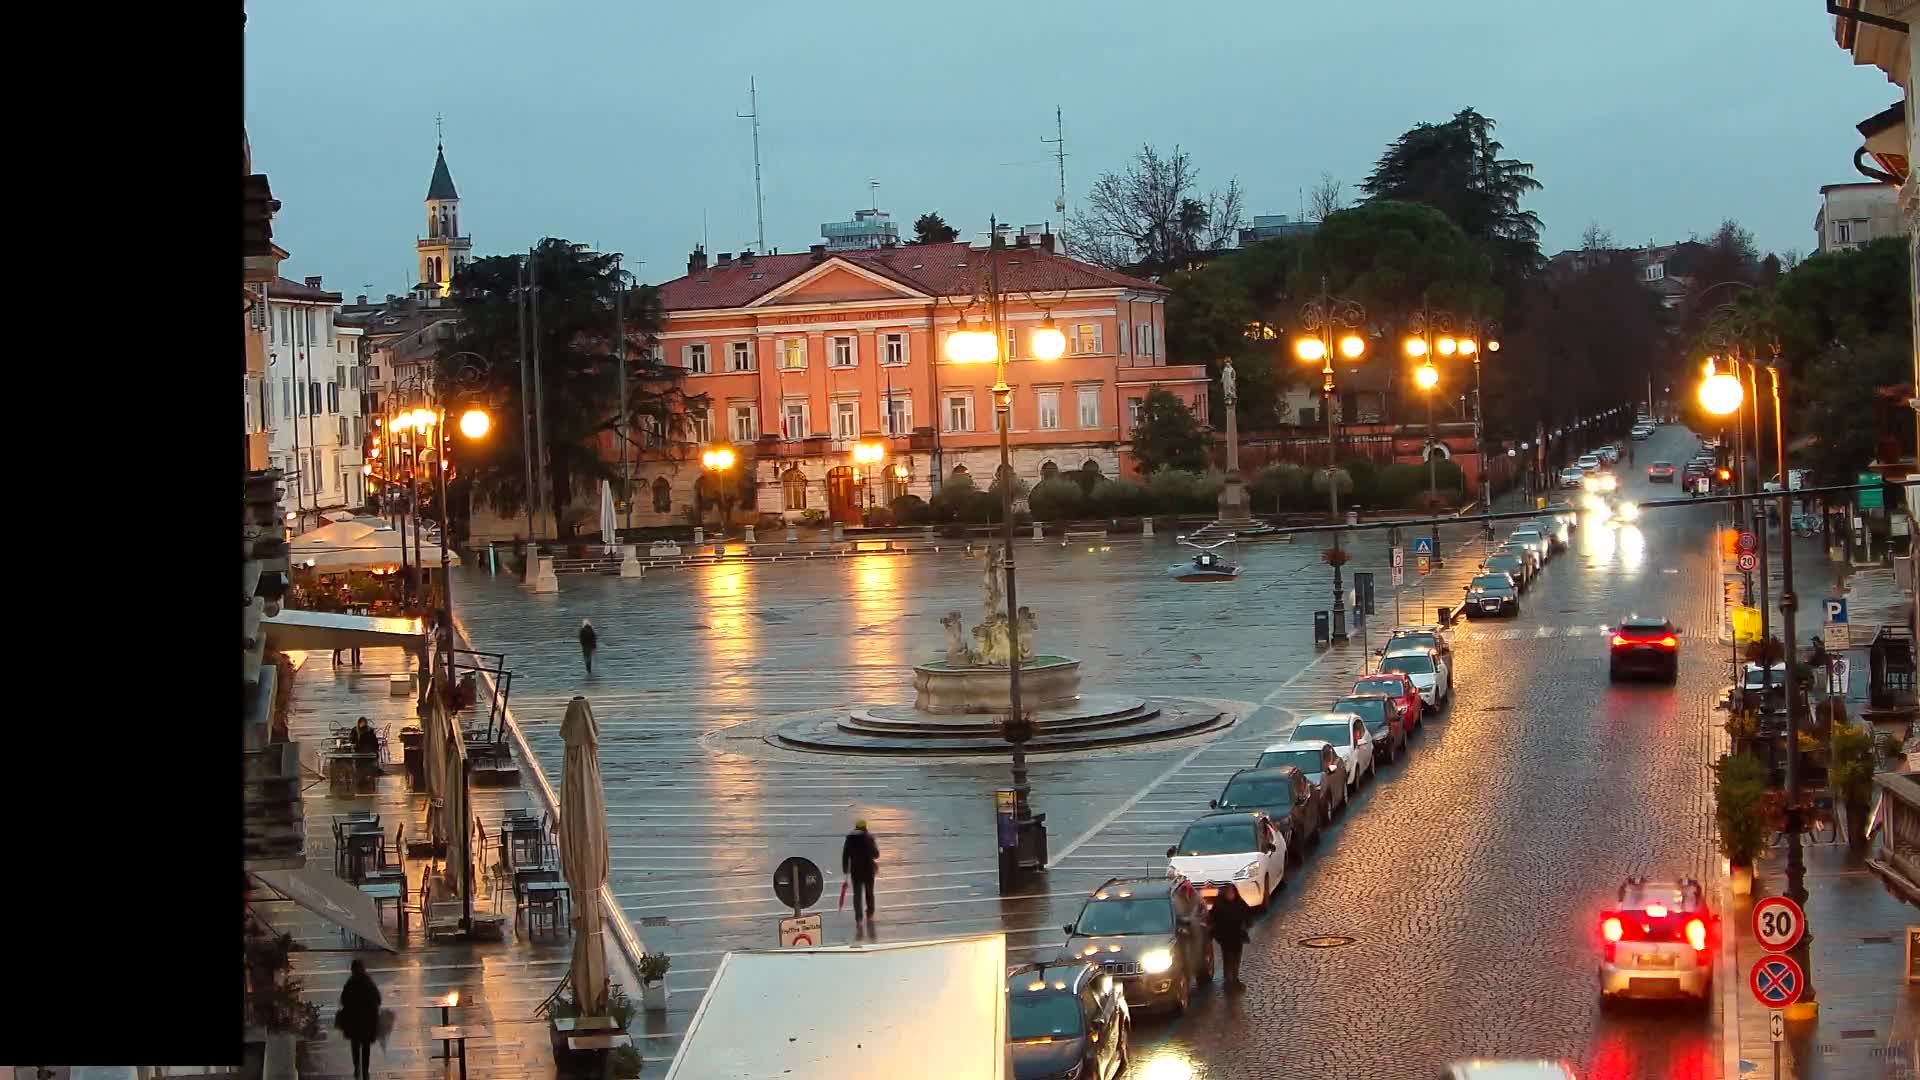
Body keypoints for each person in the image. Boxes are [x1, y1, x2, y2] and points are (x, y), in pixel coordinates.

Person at [338, 958, 382, 1079]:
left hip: (353, 1022)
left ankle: (357, 1067)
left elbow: (343, 1000)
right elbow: (378, 1000)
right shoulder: (368, 982)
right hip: (367, 1022)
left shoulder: (350, 983)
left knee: (355, 1045)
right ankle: (365, 1071)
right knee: (366, 1047)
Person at [1209, 887, 1251, 989]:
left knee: (1236, 958)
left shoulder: (1240, 903)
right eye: (1229, 893)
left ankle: (1235, 979)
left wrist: (1245, 926)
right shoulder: (1219, 905)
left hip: (1237, 937)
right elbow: (1213, 919)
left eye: (1232, 893)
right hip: (1226, 938)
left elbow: (1247, 914)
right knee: (1228, 958)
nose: (1231, 895)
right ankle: (1228, 980)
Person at [841, 819, 880, 925]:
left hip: (856, 871)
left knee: (857, 895)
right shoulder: (869, 838)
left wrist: (845, 869)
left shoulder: (850, 839)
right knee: (869, 893)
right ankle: (870, 914)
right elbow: (876, 854)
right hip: (868, 870)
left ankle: (858, 918)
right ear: (865, 827)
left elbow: (845, 855)